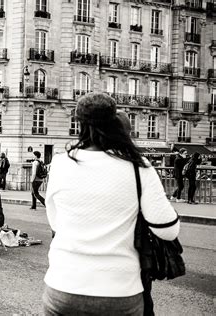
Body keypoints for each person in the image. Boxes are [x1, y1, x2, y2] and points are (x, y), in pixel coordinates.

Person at [43, 92, 180, 315]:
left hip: (63, 286)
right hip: (118, 290)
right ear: (114, 120)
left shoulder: (60, 163)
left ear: (79, 122)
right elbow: (167, 231)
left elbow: (56, 223)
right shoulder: (138, 166)